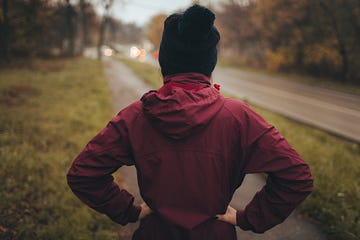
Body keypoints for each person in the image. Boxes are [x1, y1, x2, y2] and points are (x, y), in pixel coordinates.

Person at [67, 4, 313, 240]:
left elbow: (83, 174)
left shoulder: (136, 116)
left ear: (164, 61)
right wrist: (246, 218)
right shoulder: (239, 117)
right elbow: (296, 176)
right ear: (209, 63)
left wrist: (130, 210)